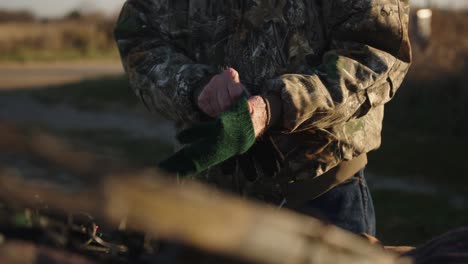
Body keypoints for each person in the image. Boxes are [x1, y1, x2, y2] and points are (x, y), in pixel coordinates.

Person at [114, 0, 412, 236]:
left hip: (319, 197)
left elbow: (377, 52)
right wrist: (197, 87)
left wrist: (275, 107)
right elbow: (140, 36)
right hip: (204, 204)